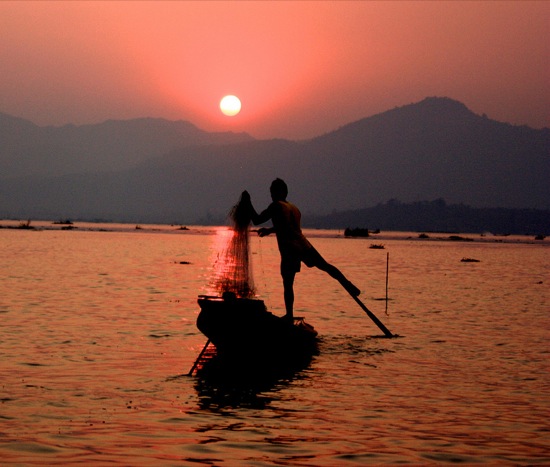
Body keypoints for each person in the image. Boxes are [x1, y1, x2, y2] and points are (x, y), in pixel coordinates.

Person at [241, 178, 360, 322]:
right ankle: (349, 284)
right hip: (304, 244)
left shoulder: (275, 206)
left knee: (288, 282)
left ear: (279, 192)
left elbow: (257, 219)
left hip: (290, 247)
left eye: (272, 192)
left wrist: (248, 203)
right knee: (325, 266)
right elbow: (287, 226)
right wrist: (270, 230)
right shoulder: (293, 208)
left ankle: (289, 315)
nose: (271, 195)